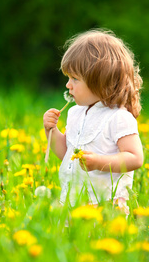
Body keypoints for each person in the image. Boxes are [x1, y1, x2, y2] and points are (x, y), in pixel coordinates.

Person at [43, 29, 143, 210]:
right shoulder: (76, 113)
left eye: (75, 78)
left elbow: (135, 158)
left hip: (105, 204)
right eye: (68, 78)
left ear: (101, 81)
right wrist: (51, 130)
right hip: (74, 202)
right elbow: (66, 154)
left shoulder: (118, 117)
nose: (68, 85)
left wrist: (99, 162)